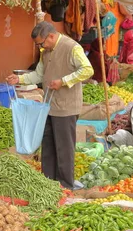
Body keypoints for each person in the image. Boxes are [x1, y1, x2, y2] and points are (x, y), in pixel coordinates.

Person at [6, 22, 93, 189]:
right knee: (48, 145)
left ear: (51, 36)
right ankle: (48, 183)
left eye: (41, 43)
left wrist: (64, 81)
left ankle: (65, 186)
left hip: (66, 107)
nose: (40, 47)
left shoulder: (71, 47)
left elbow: (87, 70)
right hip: (48, 106)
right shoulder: (45, 52)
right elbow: (39, 75)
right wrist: (19, 80)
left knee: (64, 148)